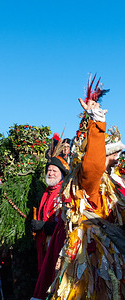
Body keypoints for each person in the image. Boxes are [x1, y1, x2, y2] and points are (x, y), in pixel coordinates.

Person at [46, 81, 125, 299]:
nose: (116, 160)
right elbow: (93, 165)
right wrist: (97, 122)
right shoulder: (91, 181)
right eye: (112, 155)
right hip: (91, 264)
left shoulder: (115, 184)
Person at [31, 156, 69, 273]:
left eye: (54, 170)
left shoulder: (64, 192)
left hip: (58, 245)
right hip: (45, 244)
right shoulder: (47, 192)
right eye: (49, 170)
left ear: (61, 174)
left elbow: (67, 221)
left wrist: (45, 226)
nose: (51, 173)